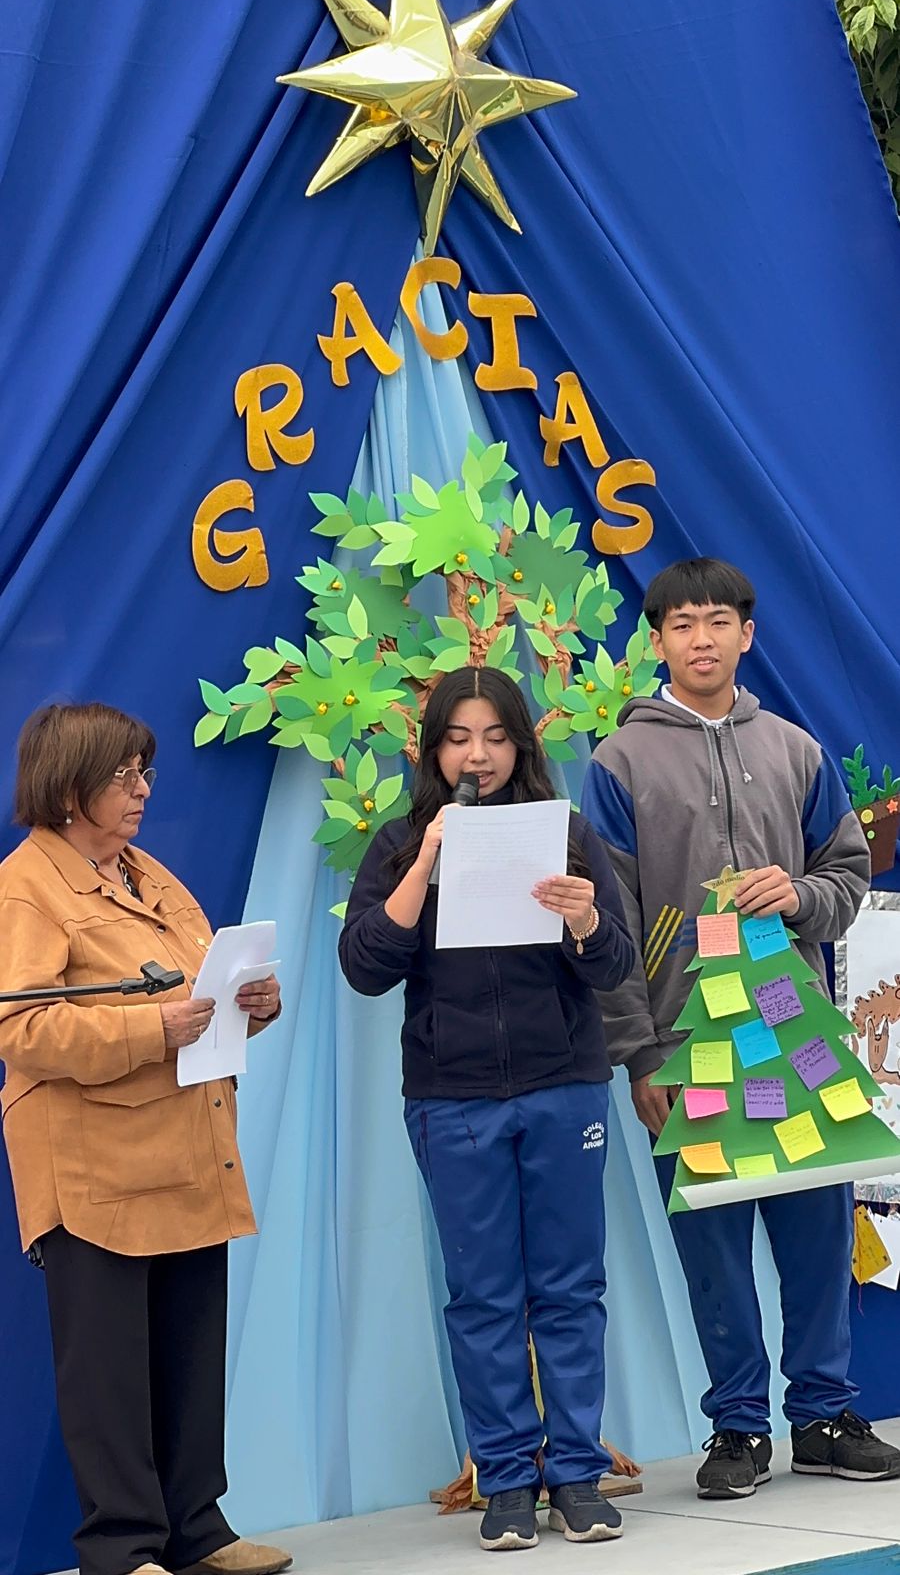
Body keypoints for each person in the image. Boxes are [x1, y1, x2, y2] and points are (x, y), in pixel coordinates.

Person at [581, 558, 900, 1499]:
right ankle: (737, 1429)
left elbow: (847, 879)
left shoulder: (797, 752)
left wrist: (797, 895)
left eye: (718, 621)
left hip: (796, 1042)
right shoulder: (618, 763)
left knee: (815, 1236)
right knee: (713, 1251)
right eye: (682, 624)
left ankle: (826, 1417)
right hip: (689, 1049)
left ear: (746, 635)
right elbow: (608, 923)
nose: (702, 639)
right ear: (657, 641)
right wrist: (640, 1054)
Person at [339, 666, 635, 1551]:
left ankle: (574, 1473)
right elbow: (365, 967)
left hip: (564, 1086)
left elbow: (616, 964)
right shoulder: (400, 843)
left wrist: (584, 918)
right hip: (452, 1098)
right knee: (483, 1295)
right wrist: (426, 863)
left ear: (522, 744)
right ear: (434, 750)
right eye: (461, 738)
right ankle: (506, 1480)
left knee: (571, 1288)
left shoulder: (564, 833)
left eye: (497, 737)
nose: (479, 755)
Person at [0, 703, 291, 1575]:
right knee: (109, 1372)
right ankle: (123, 1548)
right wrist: (151, 1029)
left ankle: (199, 1530)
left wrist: (250, 1005)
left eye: (144, 773)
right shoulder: (26, 886)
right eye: (123, 775)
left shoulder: (146, 873)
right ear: (68, 787)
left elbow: (198, 990)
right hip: (93, 1168)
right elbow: (21, 1029)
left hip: (187, 1148)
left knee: (191, 1353)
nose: (142, 791)